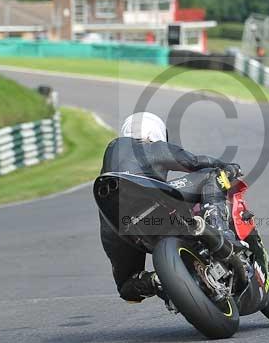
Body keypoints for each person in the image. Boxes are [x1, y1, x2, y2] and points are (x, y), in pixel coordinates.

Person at [98, 112, 242, 303]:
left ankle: (156, 281)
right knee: (212, 174)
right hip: (155, 203)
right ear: (155, 132)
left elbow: (128, 293)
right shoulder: (150, 146)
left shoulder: (109, 168)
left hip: (118, 226)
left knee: (127, 286)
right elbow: (193, 162)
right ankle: (221, 230)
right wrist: (229, 167)